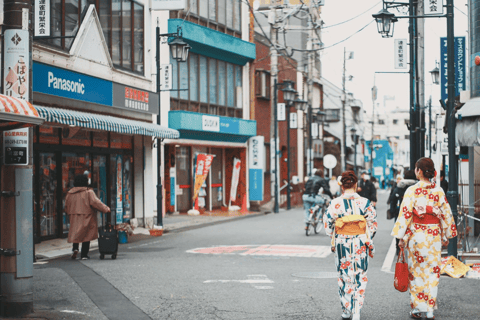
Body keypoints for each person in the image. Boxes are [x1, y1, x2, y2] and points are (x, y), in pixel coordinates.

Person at [391, 158, 456, 320]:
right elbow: (446, 213)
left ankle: (417, 308)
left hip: (417, 235)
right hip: (433, 234)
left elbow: (405, 215)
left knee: (416, 272)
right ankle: (430, 309)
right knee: (433, 271)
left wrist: (401, 237)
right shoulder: (438, 191)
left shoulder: (412, 191)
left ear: (419, 171)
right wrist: (447, 234)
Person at [324, 171, 377, 320]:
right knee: (359, 274)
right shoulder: (365, 203)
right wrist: (367, 237)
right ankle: (357, 310)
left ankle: (347, 309)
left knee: (344, 274)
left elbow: (328, 224)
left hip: (342, 242)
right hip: (360, 241)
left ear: (341, 186)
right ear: (355, 185)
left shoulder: (335, 203)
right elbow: (372, 223)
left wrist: (334, 236)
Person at [65, 174, 111, 260]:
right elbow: (96, 203)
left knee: (76, 232)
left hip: (73, 215)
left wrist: (69, 212)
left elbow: (66, 205)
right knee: (86, 234)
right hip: (87, 215)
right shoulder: (88, 192)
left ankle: (75, 248)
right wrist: (106, 209)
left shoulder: (70, 193)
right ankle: (84, 255)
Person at [388, 170, 417, 253]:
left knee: (400, 229)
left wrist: (393, 211)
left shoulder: (400, 185)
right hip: (414, 212)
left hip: (400, 211)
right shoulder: (417, 186)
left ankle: (398, 247)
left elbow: (393, 198)